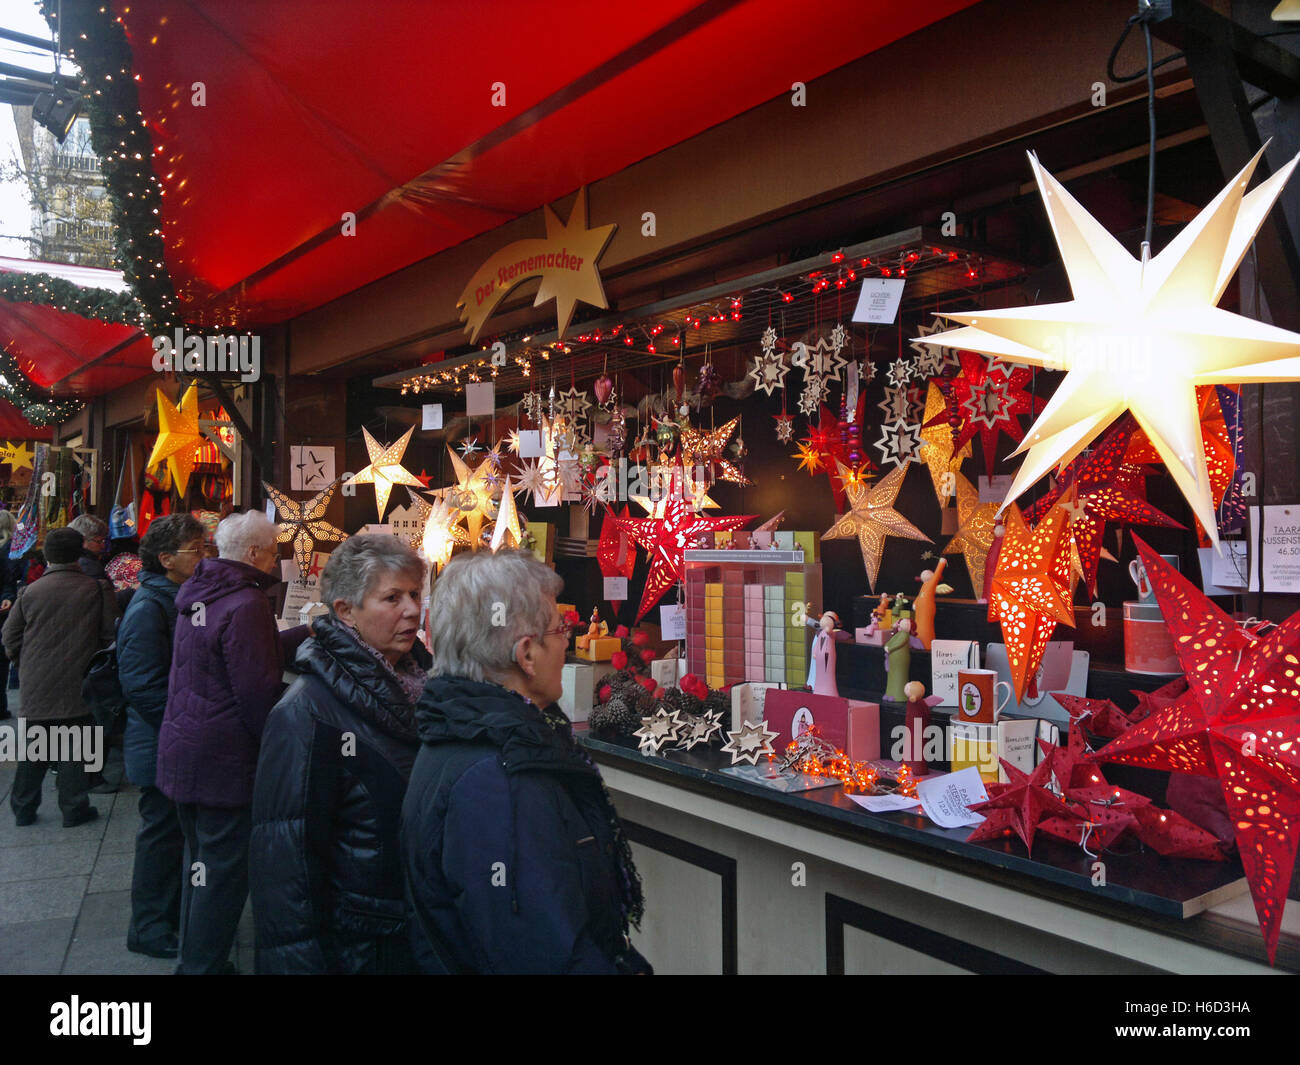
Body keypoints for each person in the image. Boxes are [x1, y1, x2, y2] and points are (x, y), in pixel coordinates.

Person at [402, 549, 651, 974]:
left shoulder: (460, 735)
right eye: (560, 629)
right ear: (526, 655)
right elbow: (542, 952)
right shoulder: (501, 778)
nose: (568, 639)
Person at [250, 535, 430, 973]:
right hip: (358, 948)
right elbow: (285, 868)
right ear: (346, 610)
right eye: (392, 597)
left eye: (414, 594)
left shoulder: (424, 687)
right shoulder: (306, 713)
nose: (411, 609)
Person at [157, 510, 300, 975]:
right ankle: (202, 967)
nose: (277, 560)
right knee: (221, 875)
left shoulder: (201, 591)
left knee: (199, 866)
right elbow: (257, 692)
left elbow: (234, 657)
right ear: (255, 553)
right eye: (275, 551)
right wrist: (287, 746)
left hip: (186, 750)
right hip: (224, 761)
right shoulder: (247, 603)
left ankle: (196, 958)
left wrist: (308, 631)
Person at [118, 514, 205, 960]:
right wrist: (185, 724)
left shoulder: (174, 596)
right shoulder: (149, 606)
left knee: (172, 834)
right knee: (161, 835)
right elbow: (141, 684)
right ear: (167, 558)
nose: (205, 556)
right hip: (158, 742)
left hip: (170, 738)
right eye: (197, 550)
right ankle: (149, 927)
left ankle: (165, 917)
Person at [2, 528, 118, 827]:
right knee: (76, 746)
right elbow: (107, 635)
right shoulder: (95, 588)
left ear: (48, 556)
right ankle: (73, 807)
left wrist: (24, 662)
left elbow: (10, 636)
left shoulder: (30, 591)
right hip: (79, 677)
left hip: (36, 678)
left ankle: (23, 807)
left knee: (35, 748)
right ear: (79, 553)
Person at [69, 514, 109, 580]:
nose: (103, 546)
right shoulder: (88, 566)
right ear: (83, 540)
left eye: (103, 541)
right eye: (99, 541)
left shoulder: (68, 559)